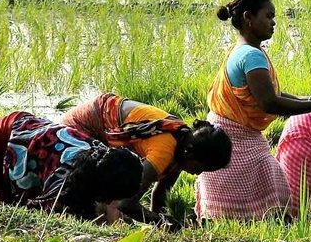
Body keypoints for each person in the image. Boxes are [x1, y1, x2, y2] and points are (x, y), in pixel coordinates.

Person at [195, 0, 311, 221]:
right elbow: (269, 102)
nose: (273, 22)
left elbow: (272, 94)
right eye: (268, 16)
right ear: (248, 18)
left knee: (257, 193)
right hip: (234, 136)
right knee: (271, 189)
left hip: (231, 132)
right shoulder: (251, 56)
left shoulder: (243, 50)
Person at [61, 93, 231, 227]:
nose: (198, 173)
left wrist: (161, 221)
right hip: (79, 128)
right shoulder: (165, 151)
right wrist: (163, 223)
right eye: (202, 167)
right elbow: (127, 204)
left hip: (97, 117)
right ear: (191, 155)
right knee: (95, 203)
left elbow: (160, 194)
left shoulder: (183, 142)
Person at [0, 111, 143, 222]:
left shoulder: (99, 154)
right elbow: (40, 217)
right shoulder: (62, 179)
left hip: (20, 131)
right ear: (103, 191)